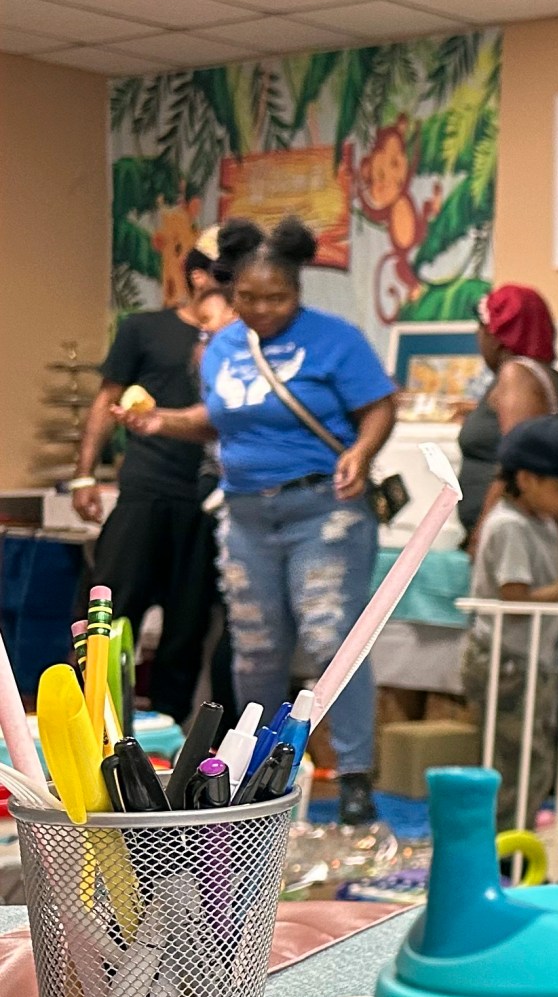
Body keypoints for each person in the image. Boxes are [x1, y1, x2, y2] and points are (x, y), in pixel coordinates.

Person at [118, 218, 397, 827]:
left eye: (278, 297)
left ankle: (353, 777)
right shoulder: (222, 347)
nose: (264, 309)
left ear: (298, 289)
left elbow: (378, 405)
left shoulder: (336, 340)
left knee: (329, 642)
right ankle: (260, 778)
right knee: (255, 652)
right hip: (244, 514)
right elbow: (218, 420)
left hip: (323, 509)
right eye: (249, 297)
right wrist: (160, 421)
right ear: (231, 290)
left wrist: (362, 451)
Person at [70, 226, 232, 715]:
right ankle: (88, 726)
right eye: (225, 273)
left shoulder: (239, 342)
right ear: (200, 275)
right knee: (109, 618)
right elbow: (106, 400)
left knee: (186, 632)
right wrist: (84, 474)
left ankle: (168, 750)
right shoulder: (144, 328)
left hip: (205, 500)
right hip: (145, 491)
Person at [465, 417, 558, 829]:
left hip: (530, 659)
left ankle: (518, 836)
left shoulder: (542, 522)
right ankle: (502, 848)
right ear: (527, 479)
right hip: (506, 661)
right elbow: (516, 602)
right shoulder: (510, 526)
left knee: (535, 760)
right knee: (514, 761)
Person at [456, 284, 558, 542]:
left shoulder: (517, 375)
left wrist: (482, 531)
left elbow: (516, 462)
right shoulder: (546, 376)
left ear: (496, 334)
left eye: (481, 329)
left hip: (506, 534)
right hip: (516, 530)